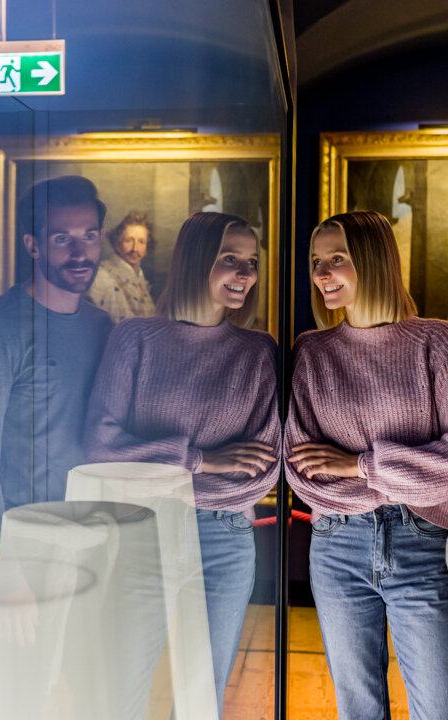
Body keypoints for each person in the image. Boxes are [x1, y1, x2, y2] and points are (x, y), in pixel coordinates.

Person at [284, 211, 448, 720]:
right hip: (336, 546)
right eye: (316, 263)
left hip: (421, 540)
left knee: (443, 708)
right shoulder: (312, 351)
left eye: (336, 260)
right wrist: (407, 477)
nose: (322, 274)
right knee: (359, 709)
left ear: (372, 262)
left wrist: (360, 468)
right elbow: (303, 472)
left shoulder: (435, 340)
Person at [85, 211, 280, 714]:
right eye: (230, 259)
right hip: (141, 532)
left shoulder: (258, 351)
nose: (246, 274)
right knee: (120, 687)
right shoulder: (136, 338)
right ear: (196, 261)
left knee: (203, 695)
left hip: (225, 540)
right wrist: (199, 460)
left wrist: (157, 471)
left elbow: (258, 473)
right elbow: (101, 448)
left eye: (252, 262)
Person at [0, 175, 112, 558]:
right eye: (62, 239)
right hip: (21, 540)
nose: (79, 252)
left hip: (91, 534)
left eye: (89, 236)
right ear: (32, 245)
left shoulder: (102, 326)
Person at [86, 211, 156, 322]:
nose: (135, 249)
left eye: (141, 242)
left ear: (147, 249)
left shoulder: (141, 282)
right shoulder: (100, 277)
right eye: (129, 241)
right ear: (117, 244)